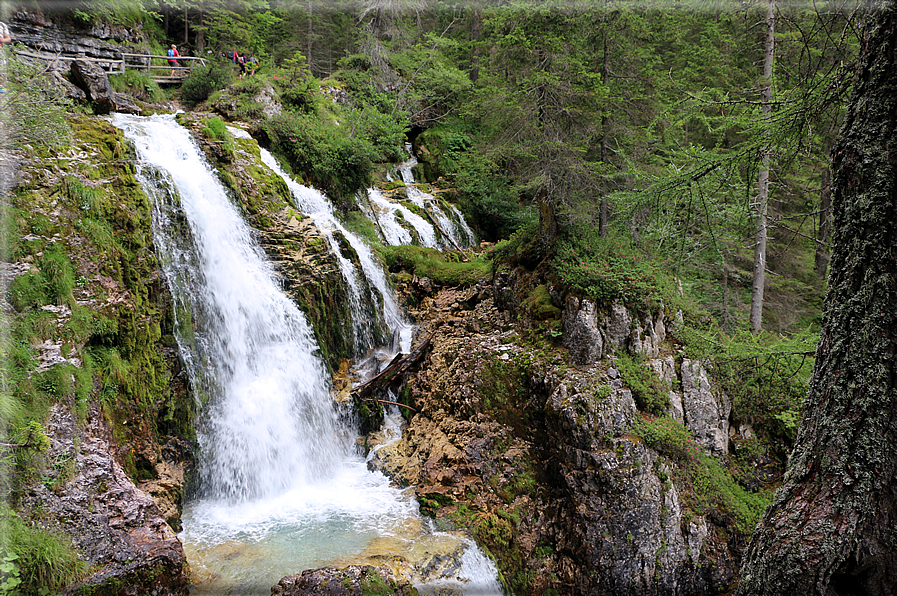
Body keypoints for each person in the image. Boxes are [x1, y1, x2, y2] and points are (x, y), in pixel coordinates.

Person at [0, 21, 11, 93]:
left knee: (3, 68)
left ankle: (1, 87)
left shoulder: (2, 25)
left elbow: (8, 39)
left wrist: (3, 40)